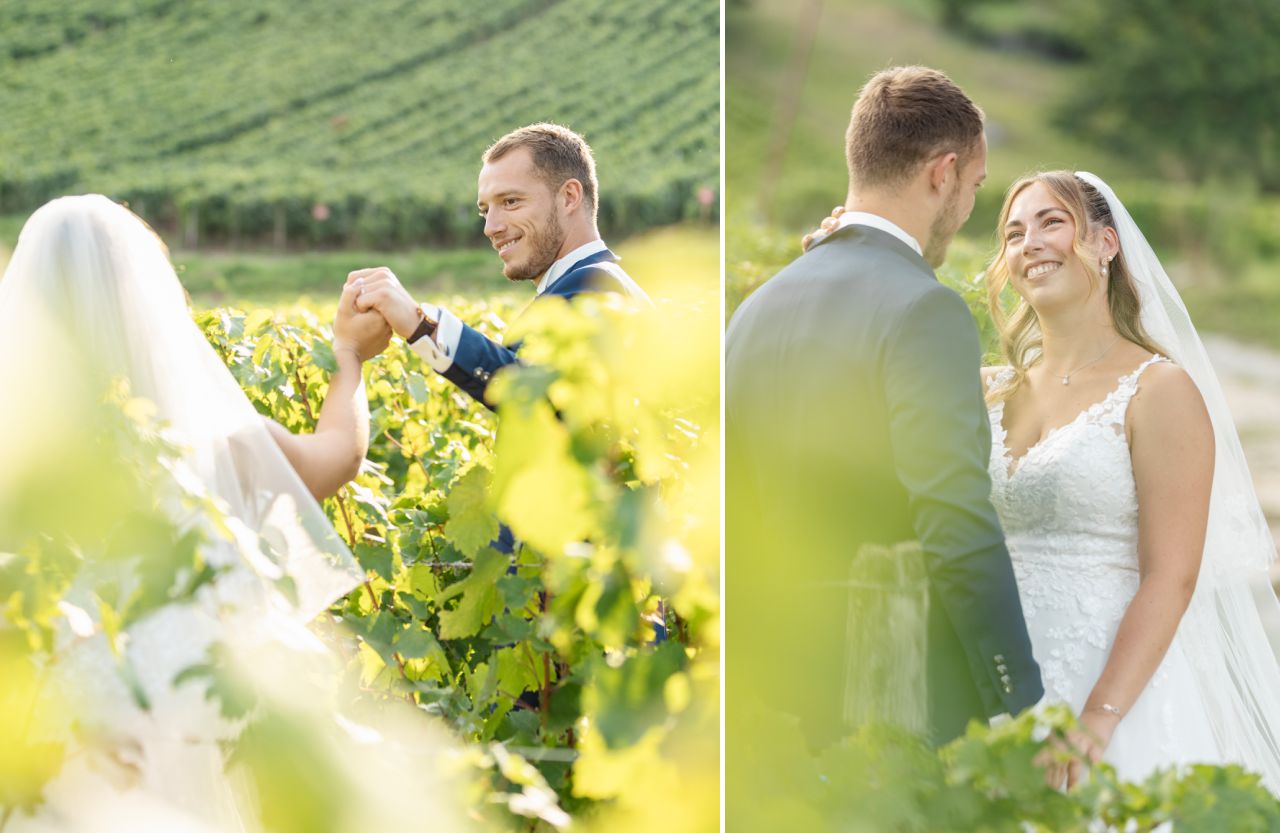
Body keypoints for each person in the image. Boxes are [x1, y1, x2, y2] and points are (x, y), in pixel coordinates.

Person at [0, 194, 391, 829]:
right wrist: (348, 358)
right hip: (188, 729)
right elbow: (337, 459)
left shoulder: (20, 457)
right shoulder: (209, 436)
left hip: (46, 734)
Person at [726, 66, 1043, 752]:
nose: (965, 213)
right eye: (975, 189)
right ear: (943, 172)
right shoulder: (925, 307)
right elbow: (953, 515)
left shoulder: (753, 311)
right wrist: (1017, 695)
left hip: (773, 698)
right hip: (898, 694)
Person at [980, 171, 1280, 790]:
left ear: (1106, 244)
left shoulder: (1158, 389)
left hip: (1109, 689)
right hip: (994, 679)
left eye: (1051, 222)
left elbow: (1173, 575)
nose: (1028, 242)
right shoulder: (989, 388)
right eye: (1013, 233)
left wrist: (1098, 717)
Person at [348, 122, 651, 410]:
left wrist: (422, 325)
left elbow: (538, 398)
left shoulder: (595, 285)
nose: (491, 227)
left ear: (569, 197)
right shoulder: (602, 282)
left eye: (510, 202)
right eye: (485, 210)